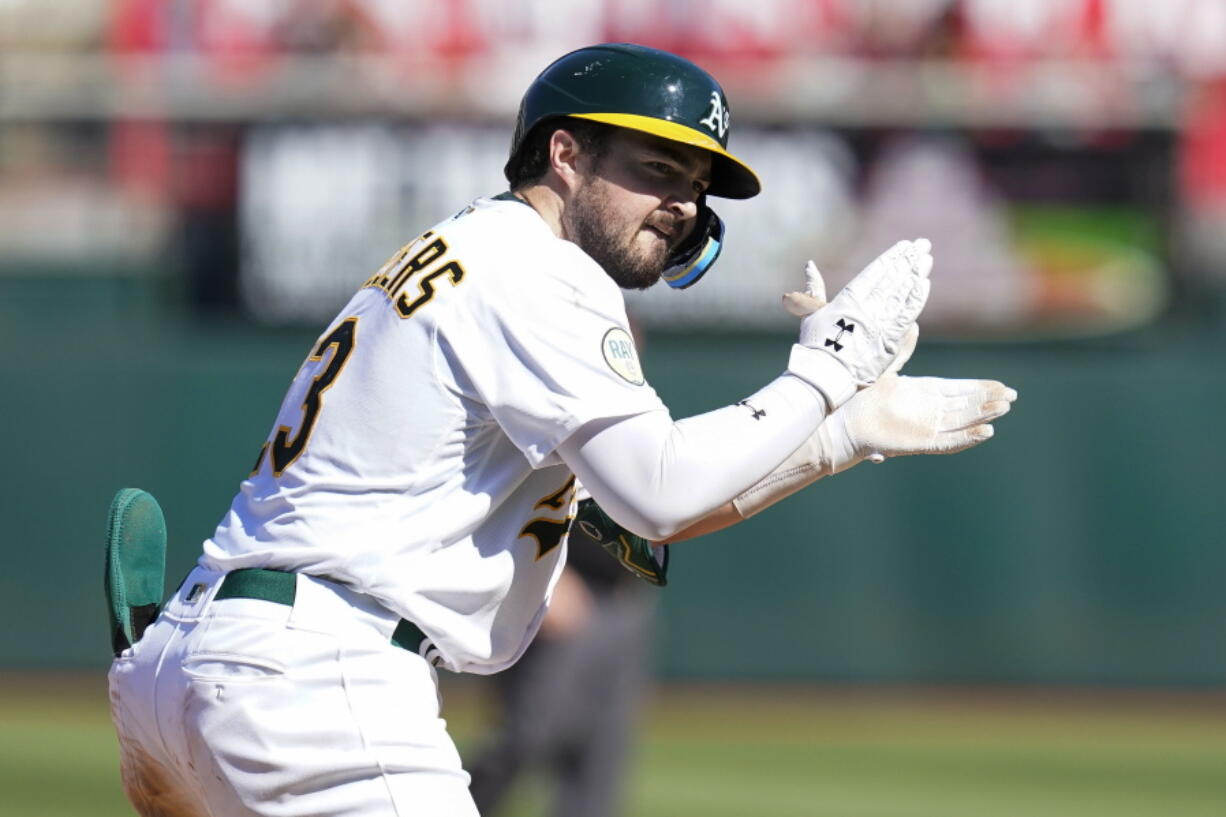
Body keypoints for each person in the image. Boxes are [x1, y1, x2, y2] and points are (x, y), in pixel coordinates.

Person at [107, 42, 1015, 817]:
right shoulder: (539, 272)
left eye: (698, 186)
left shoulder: (472, 253)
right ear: (565, 152)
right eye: (657, 168)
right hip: (317, 678)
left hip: (200, 662)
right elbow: (660, 494)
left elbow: (649, 512)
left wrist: (834, 435)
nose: (684, 206)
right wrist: (826, 370)